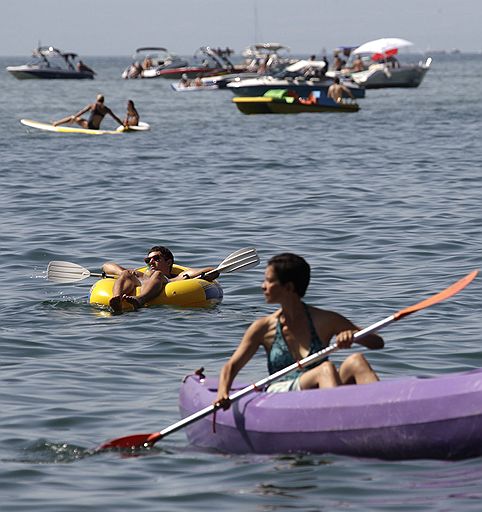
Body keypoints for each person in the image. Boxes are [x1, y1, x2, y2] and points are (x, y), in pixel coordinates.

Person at [216, 253, 383, 409]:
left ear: (288, 287)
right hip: (280, 394)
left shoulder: (325, 320)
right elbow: (231, 366)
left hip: (322, 388)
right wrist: (223, 392)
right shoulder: (263, 328)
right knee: (326, 369)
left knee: (356, 360)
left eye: (269, 281)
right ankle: (339, 419)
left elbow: (377, 343)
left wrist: (353, 337)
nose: (263, 286)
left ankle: (385, 410)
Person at [102, 245, 220, 313]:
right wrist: (122, 272)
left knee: (157, 274)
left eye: (156, 258)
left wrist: (205, 275)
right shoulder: (140, 275)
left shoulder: (179, 276)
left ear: (168, 262)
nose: (151, 262)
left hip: (166, 287)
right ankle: (116, 300)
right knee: (125, 273)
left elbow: (211, 270)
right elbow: (106, 266)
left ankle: (140, 300)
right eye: (148, 260)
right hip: (141, 285)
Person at [53, 94, 124, 130]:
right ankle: (57, 123)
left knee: (73, 117)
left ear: (97, 100)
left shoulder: (93, 106)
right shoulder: (106, 109)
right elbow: (115, 118)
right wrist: (123, 125)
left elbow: (81, 112)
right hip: (97, 128)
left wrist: (74, 118)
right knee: (81, 119)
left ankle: (56, 123)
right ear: (103, 101)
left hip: (89, 126)